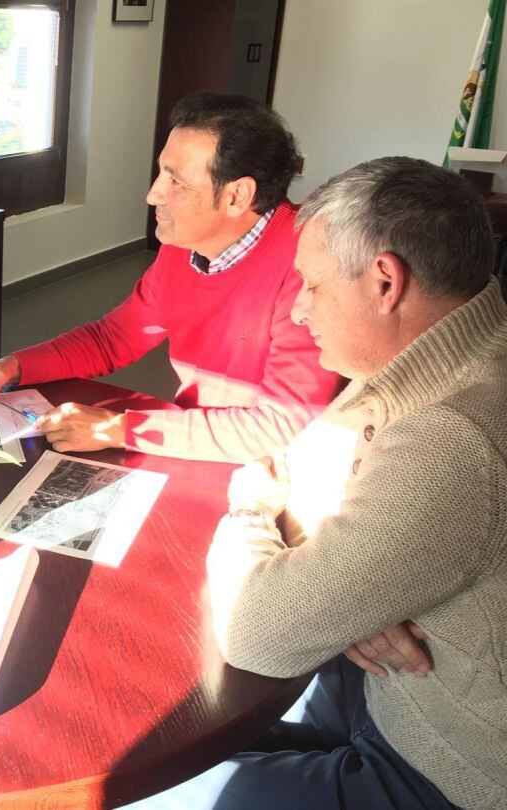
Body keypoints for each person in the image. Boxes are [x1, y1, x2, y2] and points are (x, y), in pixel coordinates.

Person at [162, 157, 506, 808]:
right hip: (376, 690)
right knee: (195, 735)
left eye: (313, 285)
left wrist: (251, 508)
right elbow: (299, 465)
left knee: (180, 789)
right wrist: (350, 596)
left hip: (448, 762)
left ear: (385, 282)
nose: (297, 308)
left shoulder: (455, 435)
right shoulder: (433, 352)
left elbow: (256, 629)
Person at [0, 92, 340, 462]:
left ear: (237, 196)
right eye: (161, 172)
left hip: (277, 468)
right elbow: (114, 339)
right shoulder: (183, 246)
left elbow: (278, 427)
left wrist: (117, 429)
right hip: (199, 440)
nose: (153, 194)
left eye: (175, 181)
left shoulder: (310, 266)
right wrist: (14, 366)